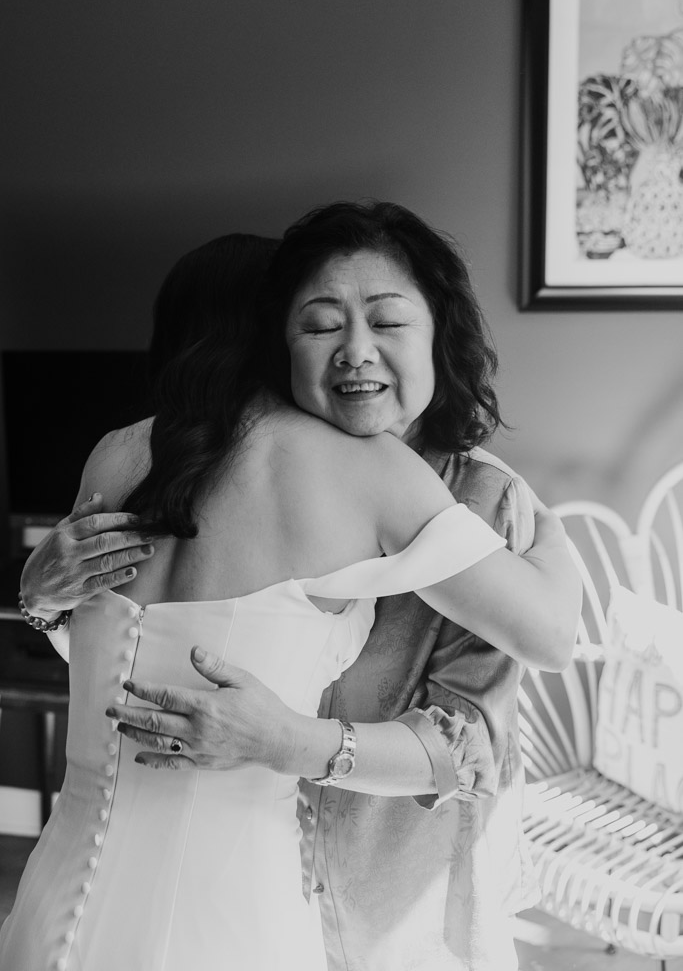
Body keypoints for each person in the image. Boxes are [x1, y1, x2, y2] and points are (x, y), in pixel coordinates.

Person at [10, 204, 580, 971]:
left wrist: (287, 741)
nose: (352, 351)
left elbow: (476, 737)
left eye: (385, 322)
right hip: (239, 898)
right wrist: (40, 591)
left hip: (340, 905)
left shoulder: (115, 455)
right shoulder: (344, 469)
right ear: (274, 336)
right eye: (315, 325)